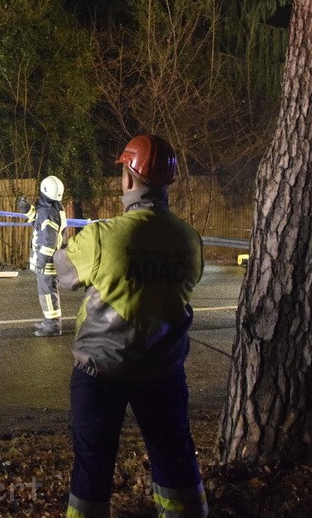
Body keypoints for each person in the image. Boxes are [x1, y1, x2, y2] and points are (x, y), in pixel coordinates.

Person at [55, 134, 208, 518]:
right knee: (174, 456)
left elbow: (64, 276)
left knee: (93, 465)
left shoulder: (102, 237)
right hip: (163, 371)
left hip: (99, 370)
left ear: (128, 178)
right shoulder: (189, 240)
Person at [23, 175, 68, 337]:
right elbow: (39, 224)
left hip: (47, 262)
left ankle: (52, 326)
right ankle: (48, 321)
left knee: (48, 294)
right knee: (47, 293)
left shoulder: (48, 211)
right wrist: (28, 210)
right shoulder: (52, 209)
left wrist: (42, 259)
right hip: (50, 261)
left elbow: (48, 239)